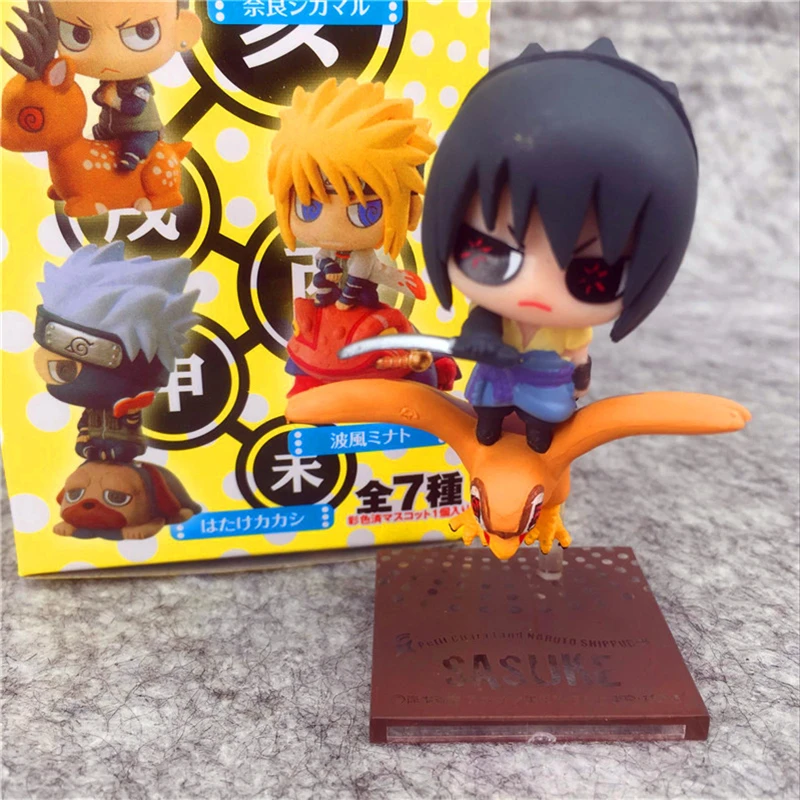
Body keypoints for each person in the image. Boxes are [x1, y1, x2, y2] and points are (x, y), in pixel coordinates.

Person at [422, 38, 699, 452]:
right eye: (491, 253)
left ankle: (537, 433)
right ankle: (488, 427)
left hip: (545, 380)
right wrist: (479, 340)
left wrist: (580, 379)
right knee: (487, 407)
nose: (534, 287)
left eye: (595, 275)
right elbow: (479, 324)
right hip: (497, 374)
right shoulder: (493, 317)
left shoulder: (571, 329)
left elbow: (578, 355)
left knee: (543, 416)